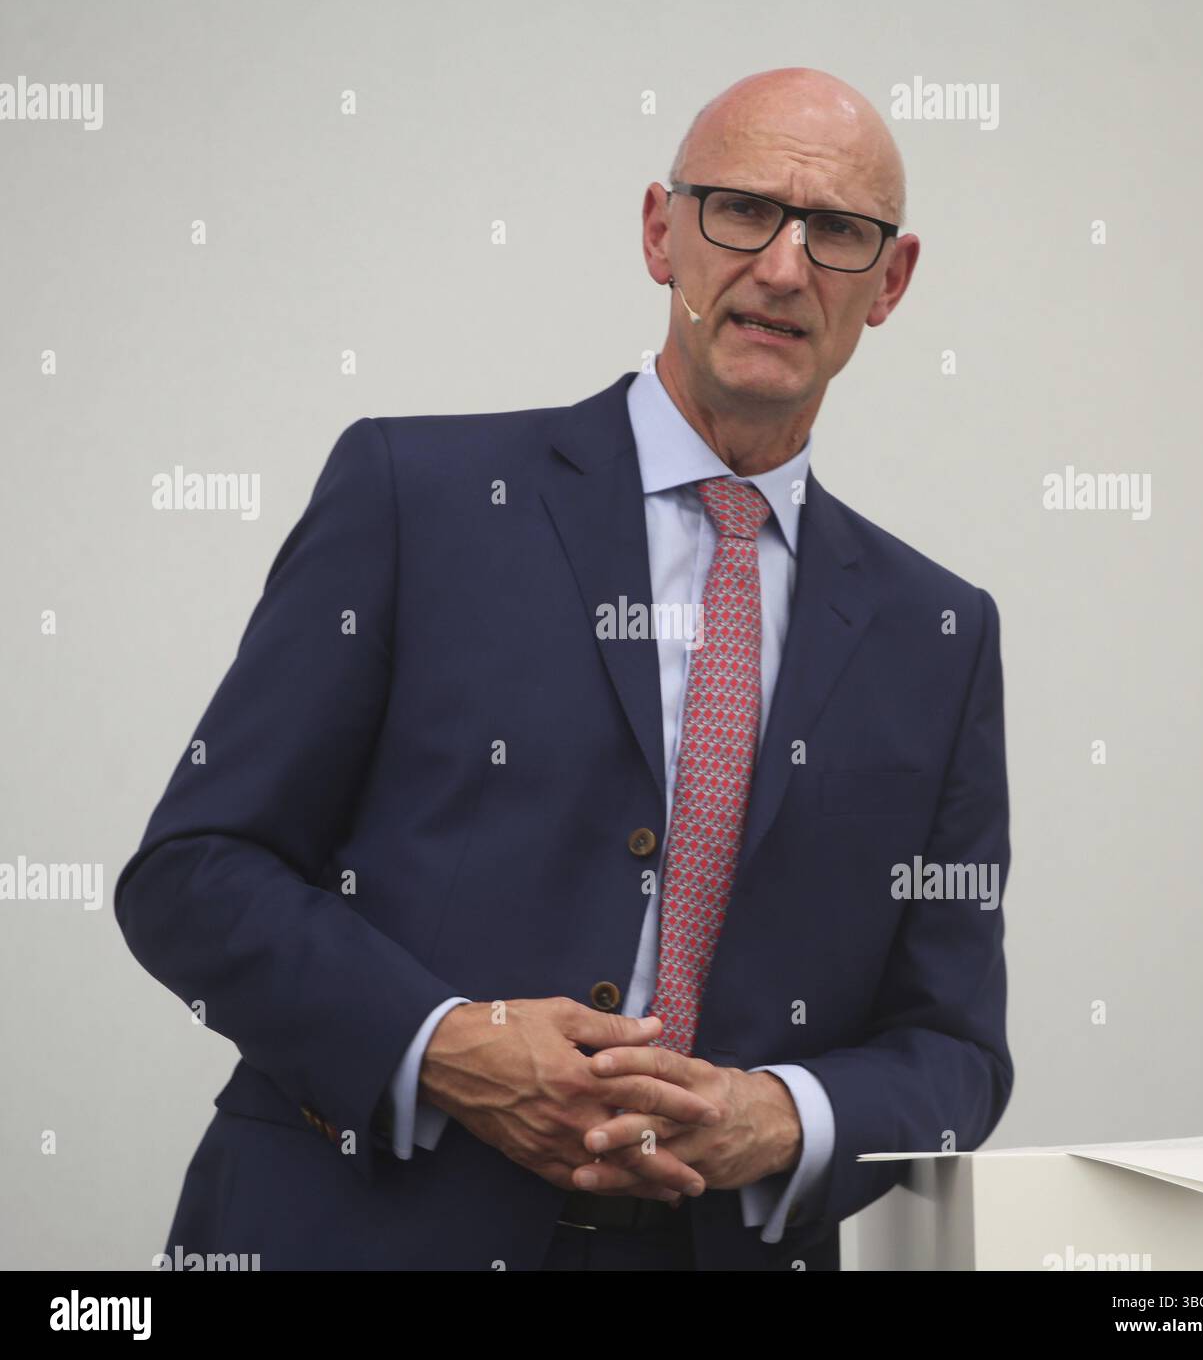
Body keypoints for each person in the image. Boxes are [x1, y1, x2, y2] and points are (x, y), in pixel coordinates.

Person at [115, 66, 1012, 1271]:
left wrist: (779, 1116)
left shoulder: (939, 636)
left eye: (839, 233)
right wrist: (441, 1043)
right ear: (661, 232)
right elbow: (192, 874)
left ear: (889, 284)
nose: (785, 269)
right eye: (741, 210)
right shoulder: (414, 500)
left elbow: (953, 1051)